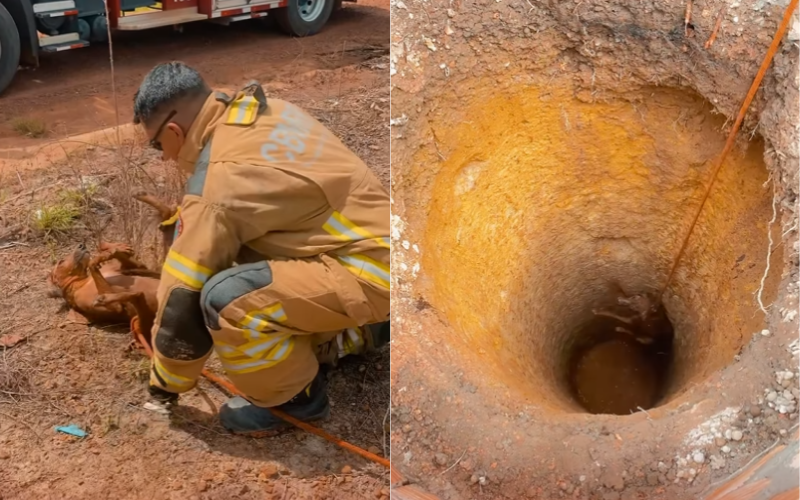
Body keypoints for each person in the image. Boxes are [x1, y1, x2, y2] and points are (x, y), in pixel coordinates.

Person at [132, 61, 390, 435]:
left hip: (373, 276)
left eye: (158, 144)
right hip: (389, 254)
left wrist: (165, 382)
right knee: (253, 265)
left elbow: (181, 298)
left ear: (174, 130)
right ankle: (363, 331)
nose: (163, 157)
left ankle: (296, 400)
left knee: (228, 300)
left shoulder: (218, 182)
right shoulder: (268, 111)